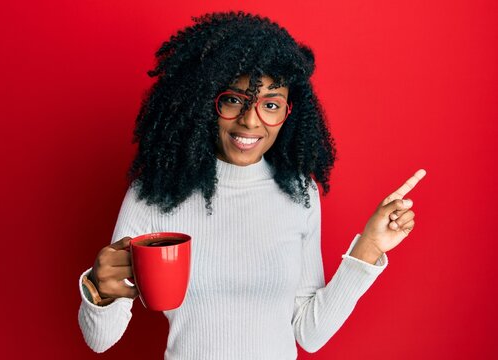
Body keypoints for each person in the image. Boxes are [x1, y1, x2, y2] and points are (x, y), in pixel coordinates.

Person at [77, 11, 426, 359]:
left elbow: (309, 333)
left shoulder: (299, 194)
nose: (249, 121)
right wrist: (100, 290)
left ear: (288, 113)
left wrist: (369, 246)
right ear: (204, 102)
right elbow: (100, 340)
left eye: (270, 105)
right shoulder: (154, 195)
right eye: (233, 100)